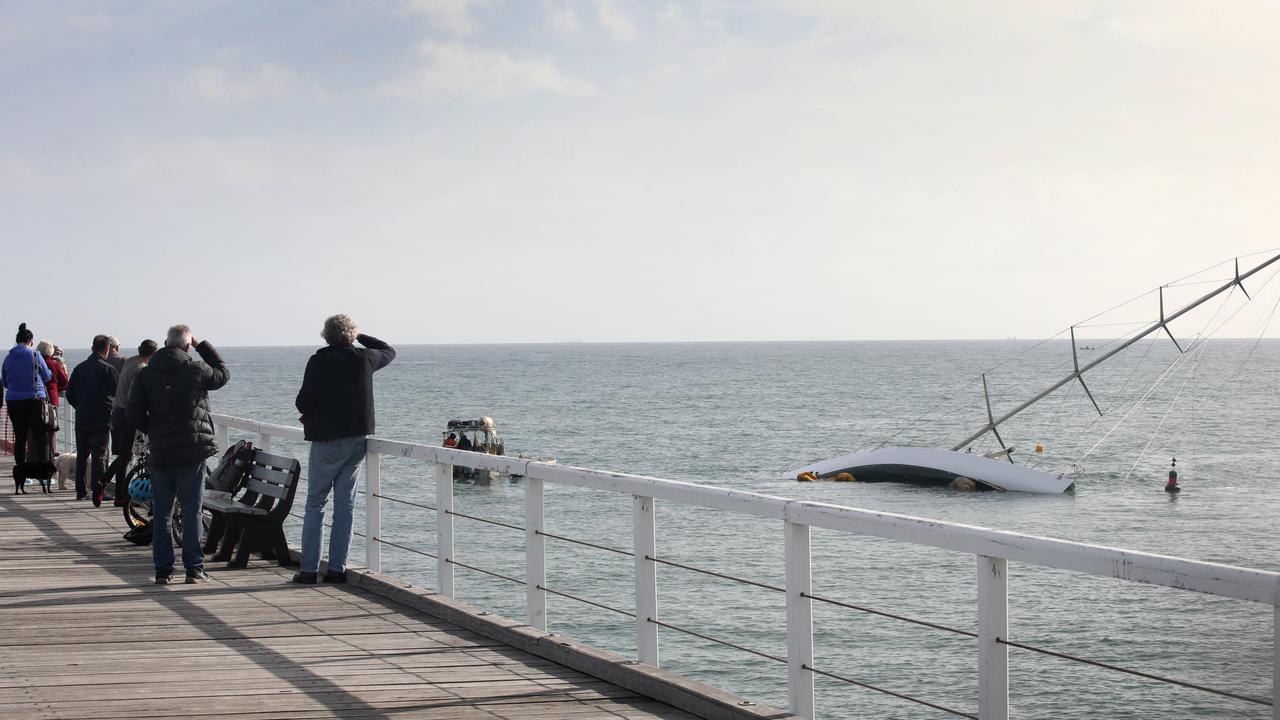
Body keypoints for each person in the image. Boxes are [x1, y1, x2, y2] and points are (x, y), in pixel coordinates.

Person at [293, 314, 395, 585]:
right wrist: (359, 336)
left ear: (326, 336)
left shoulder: (318, 361)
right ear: (351, 336)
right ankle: (337, 569)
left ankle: (308, 570)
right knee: (345, 506)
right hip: (355, 440)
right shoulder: (365, 359)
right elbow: (389, 350)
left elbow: (303, 403)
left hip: (326, 440)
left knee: (315, 503)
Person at [128, 325, 229, 585]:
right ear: (187, 346)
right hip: (192, 452)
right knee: (192, 510)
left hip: (161, 452)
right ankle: (194, 569)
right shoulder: (195, 369)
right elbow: (223, 374)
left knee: (161, 512)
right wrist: (201, 345)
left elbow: (134, 414)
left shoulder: (145, 375)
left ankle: (163, 570)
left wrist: (155, 429)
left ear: (164, 343)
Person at [104, 339, 158, 506]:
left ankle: (103, 480)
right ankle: (120, 496)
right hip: (128, 414)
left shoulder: (130, 361)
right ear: (153, 354)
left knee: (123, 455)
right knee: (126, 456)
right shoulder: (140, 368)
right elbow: (134, 397)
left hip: (117, 412)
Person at [66, 335, 119, 502]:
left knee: (82, 456)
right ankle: (98, 490)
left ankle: (80, 491)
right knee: (99, 456)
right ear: (107, 349)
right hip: (101, 418)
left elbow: (69, 394)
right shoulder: (109, 369)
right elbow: (118, 394)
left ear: (92, 348)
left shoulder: (79, 368)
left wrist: (79, 406)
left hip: (82, 417)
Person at [1, 324, 53, 494]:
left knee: (20, 437)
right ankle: (44, 473)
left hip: (14, 400)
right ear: (30, 341)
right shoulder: (35, 355)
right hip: (34, 400)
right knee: (40, 437)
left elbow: (6, 381)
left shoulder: (8, 358)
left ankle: (23, 473)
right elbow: (47, 376)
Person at [35, 340, 69, 458]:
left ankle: (37, 457)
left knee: (37, 429)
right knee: (52, 429)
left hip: (36, 399)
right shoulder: (54, 364)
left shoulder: (33, 362)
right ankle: (51, 457)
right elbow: (64, 382)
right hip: (51, 400)